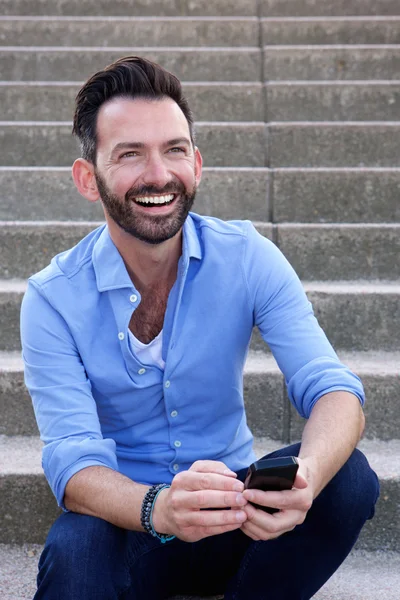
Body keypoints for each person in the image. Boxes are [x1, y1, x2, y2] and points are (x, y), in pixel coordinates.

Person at [20, 56, 379, 600]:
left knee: (348, 478)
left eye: (174, 149)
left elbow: (333, 388)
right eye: (130, 154)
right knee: (75, 550)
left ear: (197, 163)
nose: (159, 174)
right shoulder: (52, 298)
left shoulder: (248, 257)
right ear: (88, 179)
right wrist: (158, 506)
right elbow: (73, 465)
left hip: (239, 513)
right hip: (132, 521)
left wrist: (303, 478)